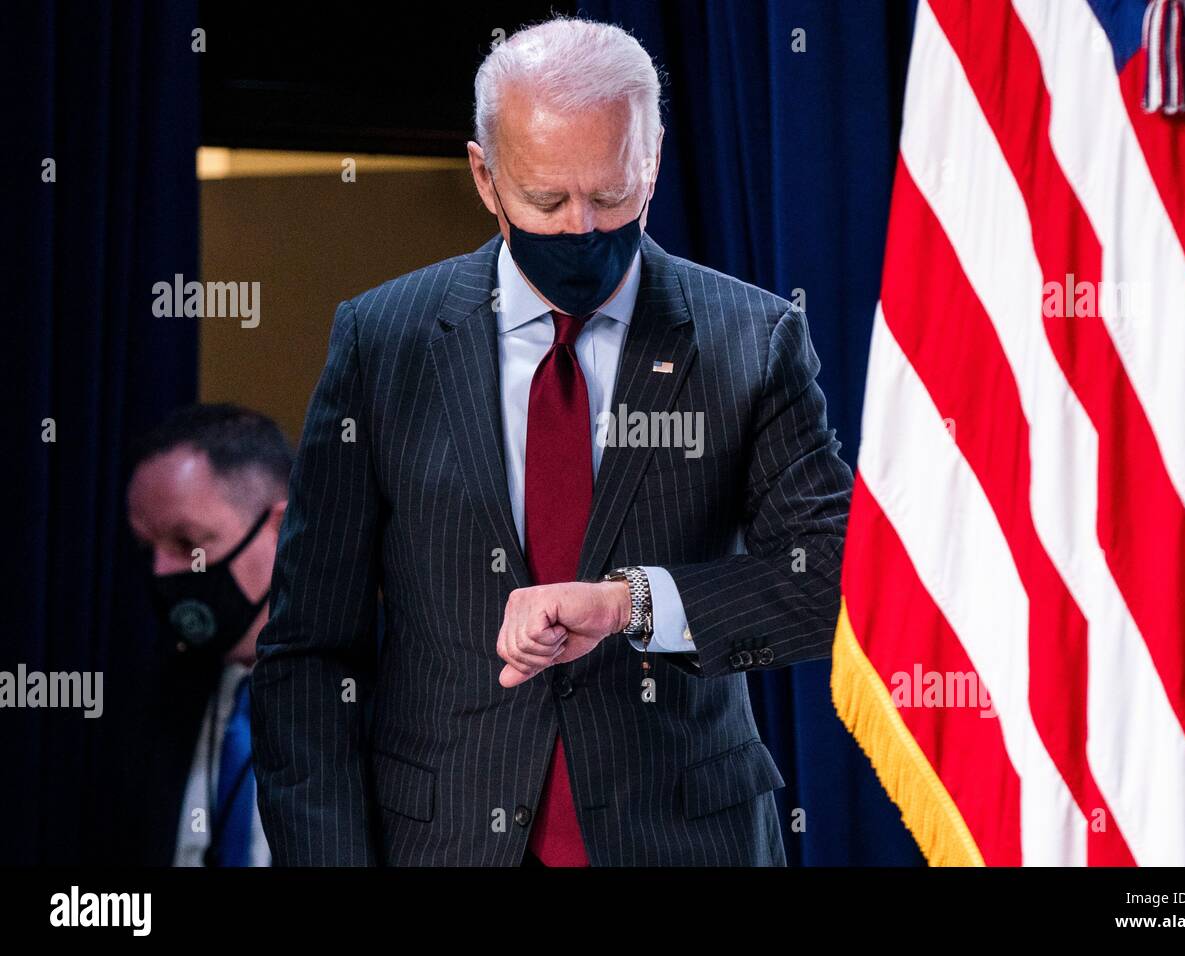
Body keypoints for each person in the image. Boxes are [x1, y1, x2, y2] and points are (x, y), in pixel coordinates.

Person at [251, 15, 853, 867]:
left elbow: (834, 578)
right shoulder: (384, 341)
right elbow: (308, 652)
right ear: (485, 177)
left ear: (651, 160)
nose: (581, 229)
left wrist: (630, 604)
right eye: (547, 200)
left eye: (611, 196)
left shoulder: (750, 338)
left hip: (684, 841)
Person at [127, 403, 291, 866]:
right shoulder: (148, 700)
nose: (162, 572)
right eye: (148, 548)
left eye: (187, 544)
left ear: (282, 528)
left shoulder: (394, 689)